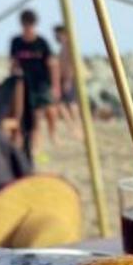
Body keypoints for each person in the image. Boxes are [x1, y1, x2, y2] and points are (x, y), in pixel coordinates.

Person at [10, 10, 60, 160]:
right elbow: (13, 64)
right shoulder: (16, 42)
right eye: (25, 25)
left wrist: (55, 86)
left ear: (34, 25)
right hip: (25, 85)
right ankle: (33, 145)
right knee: (32, 117)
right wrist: (13, 81)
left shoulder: (42, 43)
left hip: (42, 83)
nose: (28, 28)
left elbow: (52, 65)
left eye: (30, 25)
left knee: (48, 112)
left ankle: (51, 135)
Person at [52, 24, 82, 140]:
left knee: (71, 104)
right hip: (64, 79)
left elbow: (71, 63)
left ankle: (77, 127)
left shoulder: (69, 46)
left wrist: (68, 80)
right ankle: (73, 127)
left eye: (57, 35)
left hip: (68, 79)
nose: (56, 37)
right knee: (62, 104)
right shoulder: (64, 47)